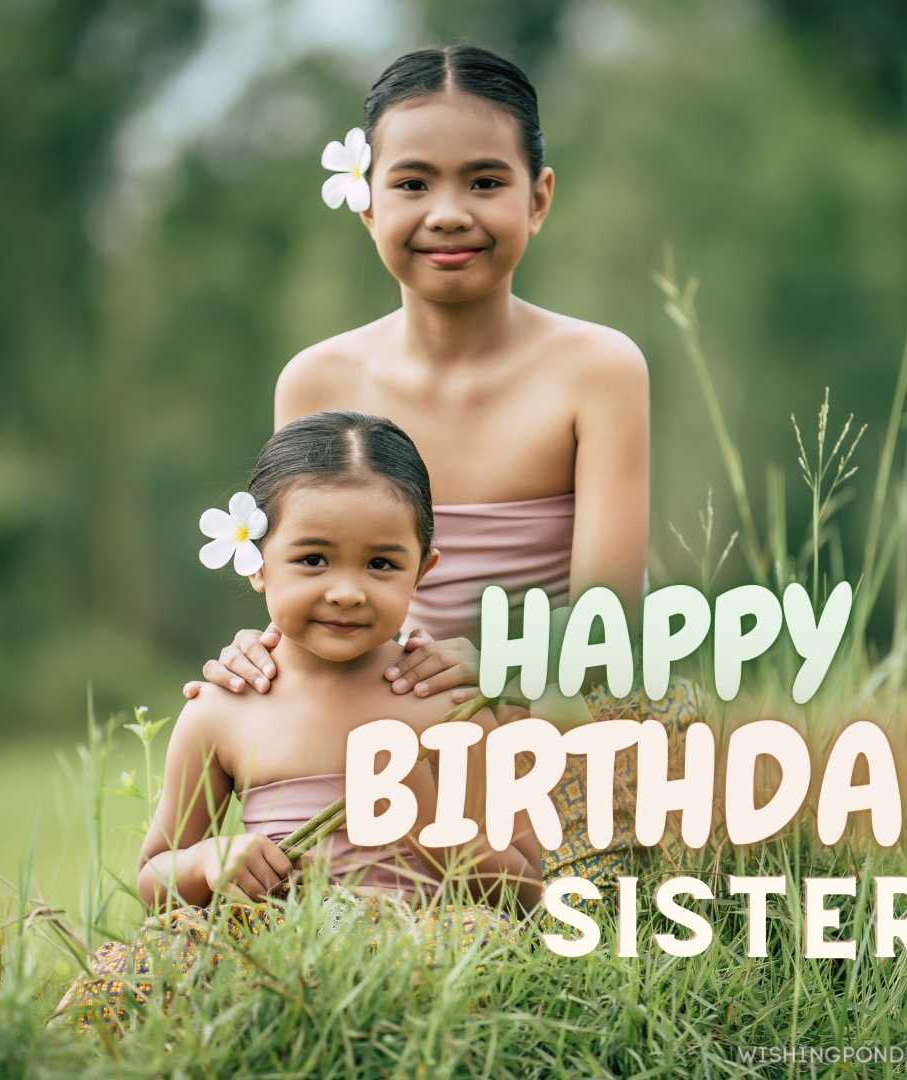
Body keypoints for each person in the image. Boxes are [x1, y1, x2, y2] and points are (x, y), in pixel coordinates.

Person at [185, 44, 701, 889]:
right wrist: (263, 656)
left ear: (539, 199)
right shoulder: (318, 381)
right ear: (365, 201)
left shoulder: (599, 370)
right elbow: (306, 572)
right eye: (414, 183)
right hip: (376, 717)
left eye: (486, 182)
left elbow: (610, 623)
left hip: (543, 708)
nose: (450, 213)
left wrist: (491, 662)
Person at [55, 411, 540, 1033]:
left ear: (425, 568)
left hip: (422, 940)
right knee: (141, 969)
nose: (346, 590)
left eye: (382, 565)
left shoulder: (448, 702)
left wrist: (436, 827)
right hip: (273, 947)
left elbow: (529, 895)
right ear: (257, 562)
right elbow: (155, 875)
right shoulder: (224, 709)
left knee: (486, 946)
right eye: (313, 559)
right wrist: (211, 860)